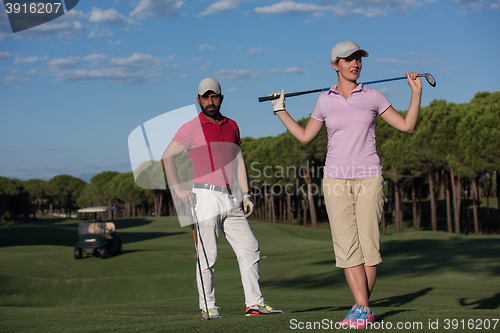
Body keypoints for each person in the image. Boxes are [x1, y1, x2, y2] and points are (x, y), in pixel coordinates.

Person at [269, 40, 422, 329]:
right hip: (335, 181)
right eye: (348, 59)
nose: (355, 64)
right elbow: (304, 137)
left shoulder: (374, 96)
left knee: (369, 248)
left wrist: (415, 94)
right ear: (335, 65)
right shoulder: (324, 100)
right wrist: (280, 111)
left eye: (358, 59)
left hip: (369, 178)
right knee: (347, 248)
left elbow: (407, 126)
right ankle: (363, 310)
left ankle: (361, 310)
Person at [162, 78, 283, 320]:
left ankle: (254, 304)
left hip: (230, 198)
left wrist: (246, 193)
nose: (210, 101)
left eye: (214, 96)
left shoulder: (232, 125)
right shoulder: (191, 127)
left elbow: (238, 160)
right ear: (198, 100)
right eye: (205, 97)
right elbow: (167, 157)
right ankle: (209, 307)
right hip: (204, 197)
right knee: (208, 255)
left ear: (221, 98)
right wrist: (178, 190)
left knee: (250, 247)